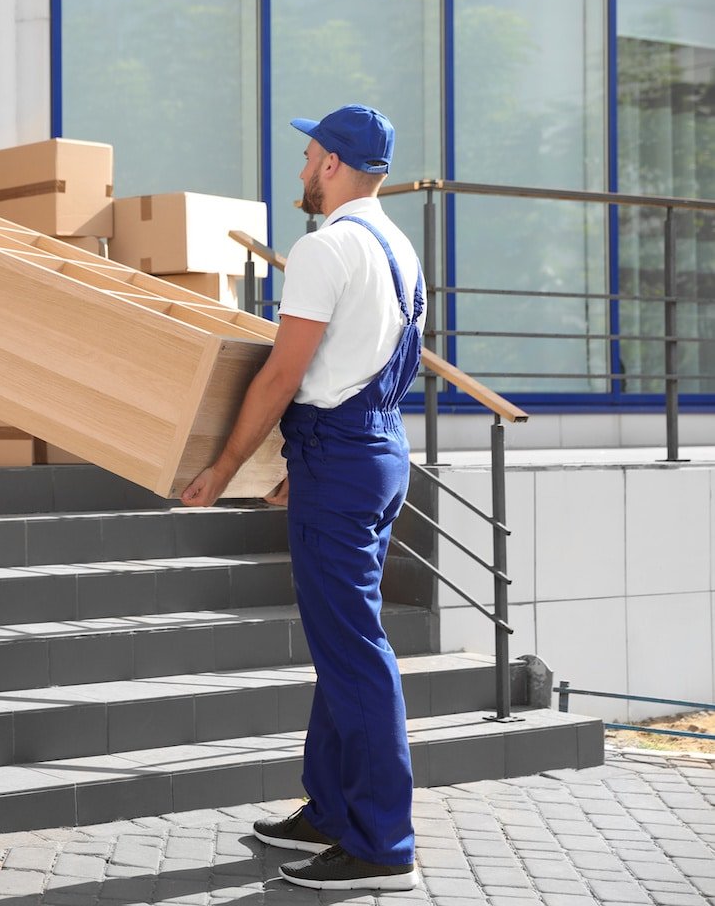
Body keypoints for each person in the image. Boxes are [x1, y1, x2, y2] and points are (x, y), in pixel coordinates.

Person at [180, 104, 423, 891]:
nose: (301, 169)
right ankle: (331, 809)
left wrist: (225, 466)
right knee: (343, 643)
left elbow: (283, 373)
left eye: (309, 155)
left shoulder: (326, 247)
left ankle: (382, 846)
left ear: (333, 165)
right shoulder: (398, 248)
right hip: (374, 451)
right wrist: (309, 459)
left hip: (344, 460)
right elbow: (363, 368)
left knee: (354, 653)